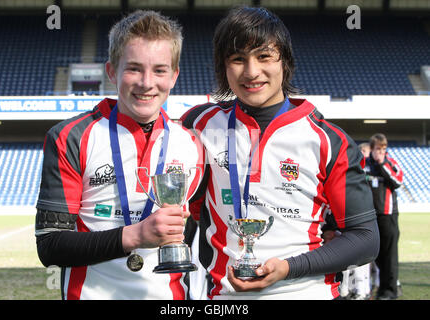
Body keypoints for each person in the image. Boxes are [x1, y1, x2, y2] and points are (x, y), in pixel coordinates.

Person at [181, 6, 379, 299]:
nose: (251, 72)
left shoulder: (328, 140)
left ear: (284, 61)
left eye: (264, 56)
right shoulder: (198, 125)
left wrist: (289, 267)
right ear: (223, 67)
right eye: (237, 59)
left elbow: (365, 239)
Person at [35, 10, 203, 300]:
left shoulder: (193, 143)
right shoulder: (70, 137)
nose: (146, 82)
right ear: (111, 71)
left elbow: (199, 231)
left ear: (174, 76)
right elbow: (50, 246)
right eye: (134, 68)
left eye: (160, 70)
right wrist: (136, 236)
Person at [365, 133, 403, 300]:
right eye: (378, 149)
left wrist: (382, 163)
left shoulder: (390, 163)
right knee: (376, 256)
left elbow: (398, 182)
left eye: (383, 149)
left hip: (387, 215)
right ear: (372, 149)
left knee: (389, 256)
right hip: (369, 216)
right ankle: (379, 289)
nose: (381, 152)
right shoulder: (364, 165)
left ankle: (391, 291)